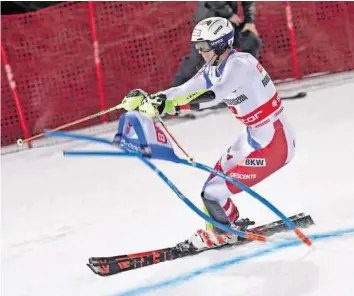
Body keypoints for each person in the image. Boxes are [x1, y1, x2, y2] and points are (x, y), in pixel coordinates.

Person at [120, 17, 295, 251]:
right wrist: (153, 99)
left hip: (275, 142)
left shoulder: (241, 65)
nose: (199, 51)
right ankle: (226, 226)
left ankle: (224, 233)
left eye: (203, 46)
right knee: (210, 188)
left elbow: (215, 96)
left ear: (221, 44)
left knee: (214, 192)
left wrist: (173, 107)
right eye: (197, 47)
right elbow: (183, 90)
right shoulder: (213, 68)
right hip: (252, 136)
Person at [172, 1, 262, 87]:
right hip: (207, 24)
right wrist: (229, 13)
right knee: (196, 59)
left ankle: (246, 81)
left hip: (228, 25)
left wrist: (249, 21)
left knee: (251, 41)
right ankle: (175, 90)